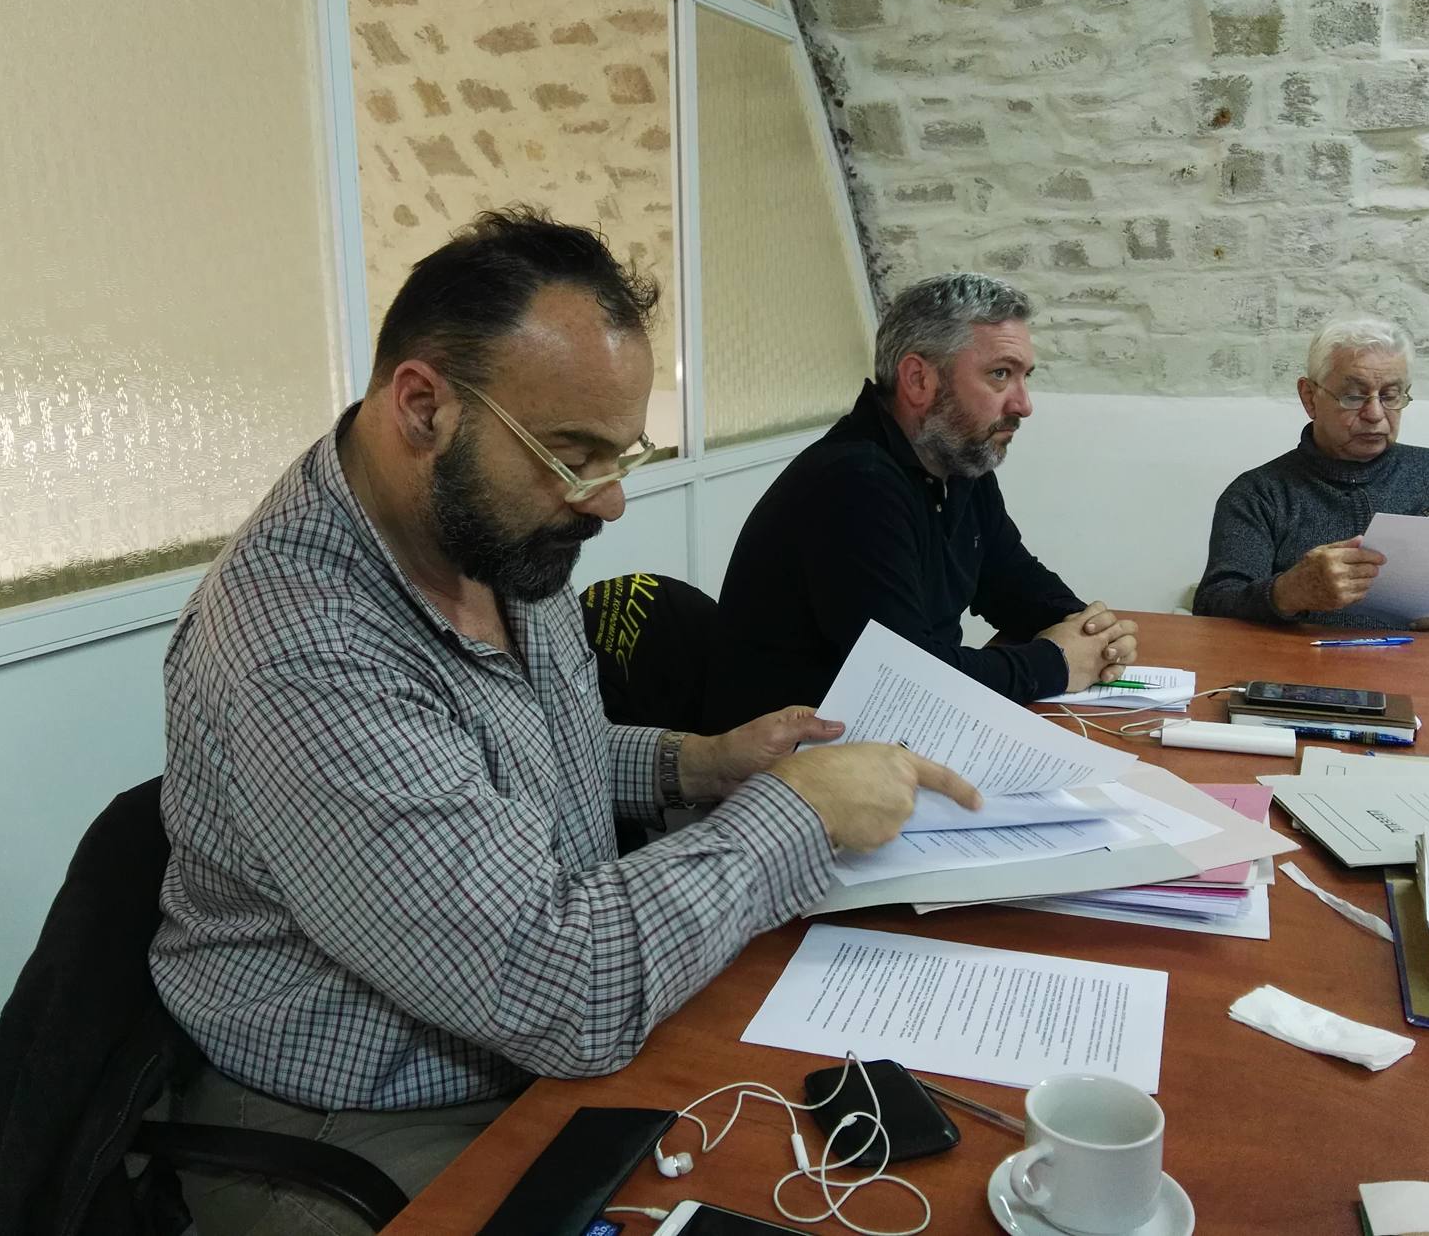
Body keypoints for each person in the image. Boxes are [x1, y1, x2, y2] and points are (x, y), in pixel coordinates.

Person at [148, 208, 978, 1233]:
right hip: (363, 1120)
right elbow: (561, 988)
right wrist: (798, 815)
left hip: (529, 1043)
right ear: (423, 408)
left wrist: (698, 762)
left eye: (620, 455)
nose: (608, 502)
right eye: (574, 453)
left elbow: (519, 754)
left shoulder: (488, 534)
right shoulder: (302, 648)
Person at [704, 273, 1138, 733]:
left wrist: (1092, 635)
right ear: (918, 380)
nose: (1023, 404)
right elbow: (908, 680)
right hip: (797, 761)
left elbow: (1014, 583)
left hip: (888, 740)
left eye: (1024, 377)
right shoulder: (855, 483)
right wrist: (1056, 662)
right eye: (1000, 374)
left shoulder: (960, 462)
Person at [1194, 319, 1429, 638]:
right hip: (1317, 681)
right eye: (1353, 396)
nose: (1375, 414)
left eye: (1391, 395)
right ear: (1310, 397)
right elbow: (1212, 606)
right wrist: (1286, 593)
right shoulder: (1260, 493)